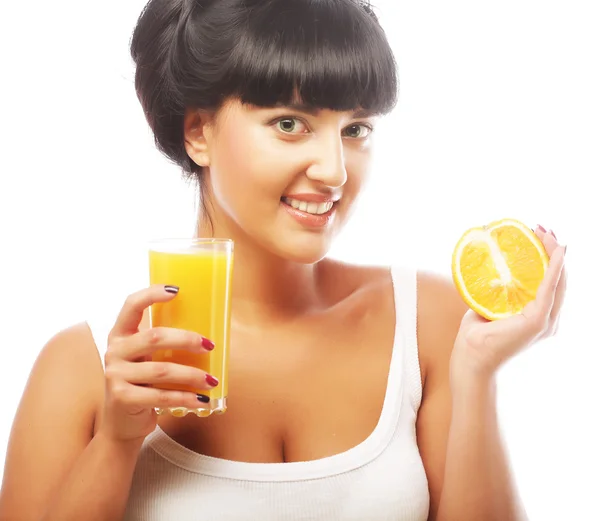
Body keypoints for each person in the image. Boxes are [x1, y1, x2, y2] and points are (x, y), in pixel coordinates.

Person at [0, 0, 567, 520]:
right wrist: (118, 444)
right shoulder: (84, 367)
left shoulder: (430, 324)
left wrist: (479, 374)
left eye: (355, 129)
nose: (335, 172)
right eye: (290, 124)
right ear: (199, 132)